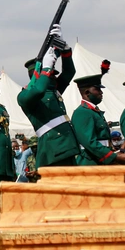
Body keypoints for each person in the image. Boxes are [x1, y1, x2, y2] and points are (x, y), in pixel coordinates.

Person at [17, 27, 79, 172]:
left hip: (67, 146)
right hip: (54, 149)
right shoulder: (25, 96)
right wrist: (46, 69)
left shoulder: (53, 90)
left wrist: (65, 49)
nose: (54, 76)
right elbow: (38, 89)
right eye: (51, 73)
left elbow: (70, 72)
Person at [71, 67, 125, 167]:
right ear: (87, 92)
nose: (101, 92)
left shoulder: (94, 112)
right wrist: (113, 157)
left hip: (100, 160)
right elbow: (89, 142)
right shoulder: (82, 112)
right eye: (97, 89)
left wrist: (114, 153)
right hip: (91, 163)